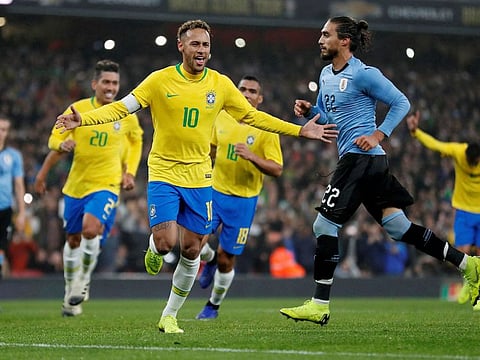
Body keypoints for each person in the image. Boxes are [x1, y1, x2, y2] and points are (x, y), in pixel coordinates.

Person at [55, 19, 338, 333]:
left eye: (205, 45)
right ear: (181, 46)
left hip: (201, 178)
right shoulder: (159, 81)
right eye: (195, 44)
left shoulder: (220, 84)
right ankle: (154, 246)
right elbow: (122, 108)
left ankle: (169, 315)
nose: (201, 50)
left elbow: (254, 117)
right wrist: (84, 120)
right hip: (163, 172)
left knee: (191, 249)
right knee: (166, 244)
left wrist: (300, 130)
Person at [279, 16, 480, 326]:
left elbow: (401, 102)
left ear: (344, 41)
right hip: (367, 161)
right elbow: (328, 115)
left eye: (326, 34)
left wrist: (378, 134)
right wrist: (312, 111)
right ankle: (467, 265)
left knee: (323, 226)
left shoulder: (364, 74)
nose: (320, 40)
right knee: (399, 227)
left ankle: (319, 304)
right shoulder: (325, 74)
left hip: (361, 157)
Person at [35, 59, 143, 317]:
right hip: (76, 186)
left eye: (115, 83)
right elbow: (54, 136)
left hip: (107, 184)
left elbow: (136, 142)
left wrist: (130, 172)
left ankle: (83, 280)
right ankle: (70, 291)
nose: (111, 87)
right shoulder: (78, 110)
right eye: (106, 82)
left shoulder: (124, 113)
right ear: (95, 84)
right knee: (72, 240)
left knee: (90, 230)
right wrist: (61, 146)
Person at [195, 75, 285, 320]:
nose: (246, 94)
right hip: (214, 192)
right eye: (242, 89)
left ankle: (213, 305)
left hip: (243, 201)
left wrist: (252, 157)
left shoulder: (266, 127)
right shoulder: (222, 116)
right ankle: (208, 259)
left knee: (227, 259)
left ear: (259, 98)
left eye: (252, 91)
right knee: (194, 241)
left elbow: (277, 169)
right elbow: (212, 148)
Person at [407, 110, 480, 307]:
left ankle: (477, 291)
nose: (472, 166)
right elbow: (435, 144)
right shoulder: (458, 151)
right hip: (464, 210)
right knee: (464, 253)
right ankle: (470, 283)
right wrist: (416, 132)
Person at [0, 115, 26, 279]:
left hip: (4, 210)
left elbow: (18, 185)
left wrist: (22, 213)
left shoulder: (14, 156)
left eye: (3, 130)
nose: (0, 133)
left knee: (1, 252)